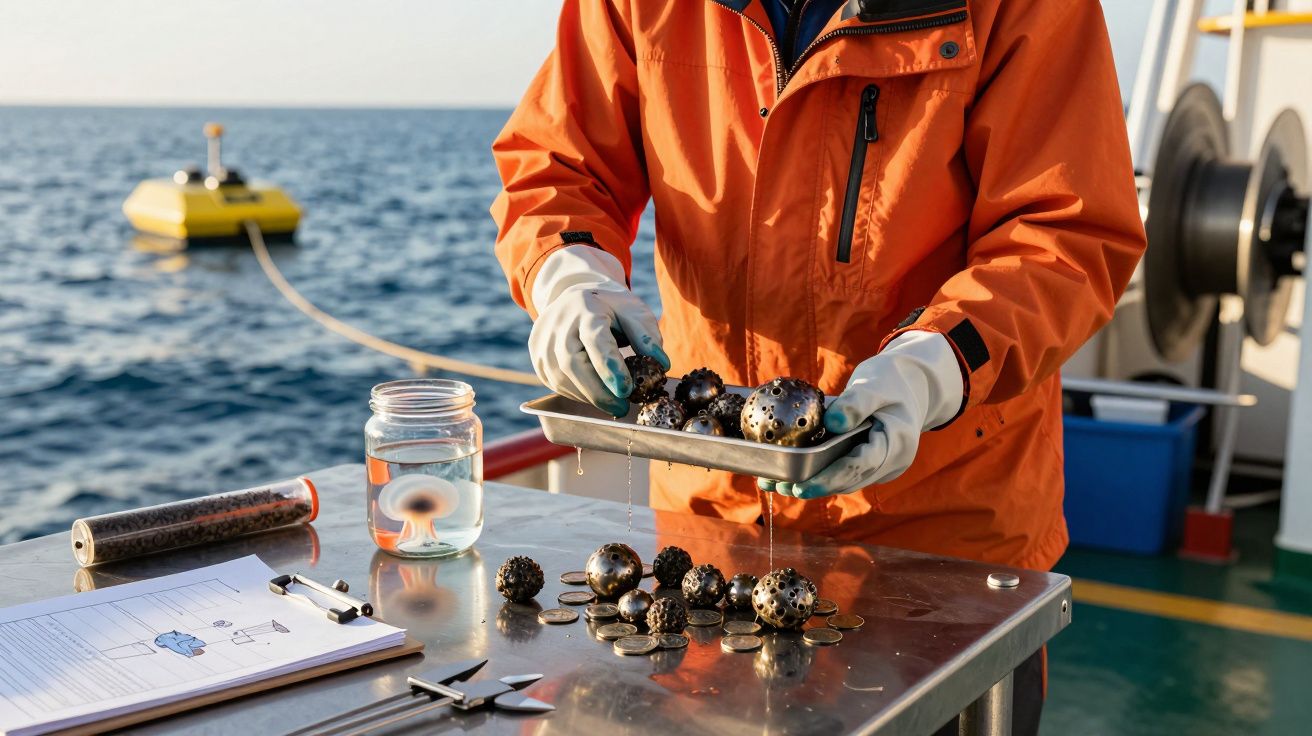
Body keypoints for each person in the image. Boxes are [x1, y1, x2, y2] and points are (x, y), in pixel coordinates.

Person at [493, 2, 1145, 732]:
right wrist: (569, 273)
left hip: (943, 552)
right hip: (710, 536)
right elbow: (561, 164)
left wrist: (937, 365)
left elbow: (1064, 233)